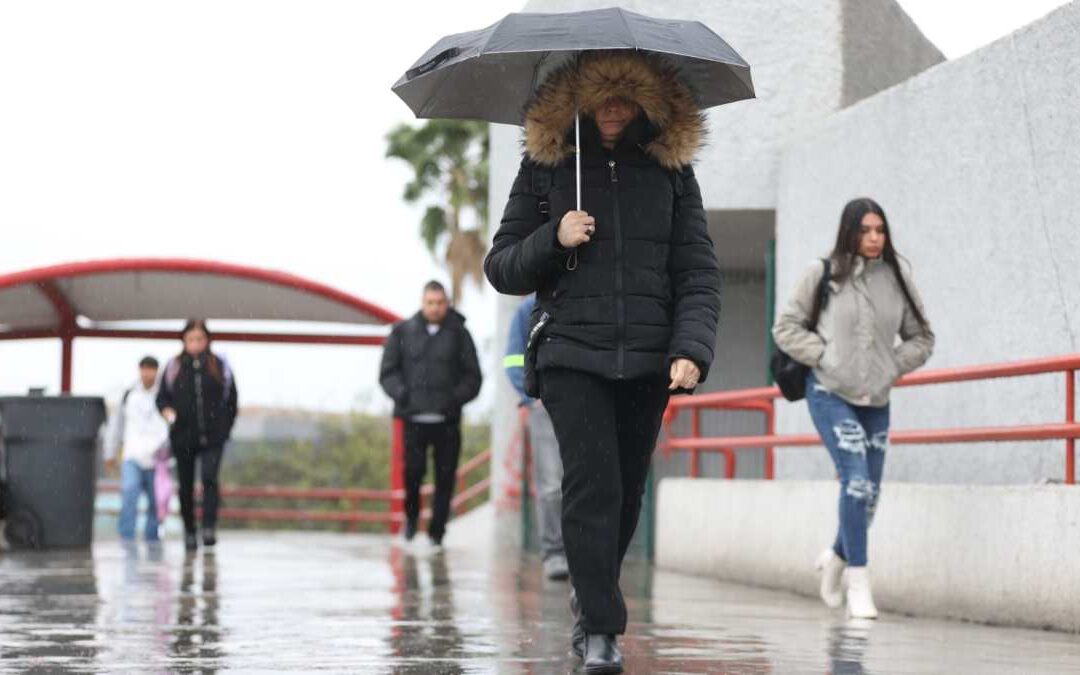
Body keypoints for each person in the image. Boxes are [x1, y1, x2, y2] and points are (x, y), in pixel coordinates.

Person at [484, 51, 721, 673]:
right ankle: (602, 632)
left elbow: (697, 273)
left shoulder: (671, 171)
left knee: (625, 494)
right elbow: (501, 266)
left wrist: (691, 349)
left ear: (647, 103)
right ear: (580, 102)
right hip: (570, 352)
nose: (614, 110)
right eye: (602, 98)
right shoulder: (549, 164)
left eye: (626, 99)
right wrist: (552, 237)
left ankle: (592, 610)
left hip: (647, 358)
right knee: (593, 484)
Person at [772, 198, 934, 619]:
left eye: (880, 230)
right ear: (850, 232)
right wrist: (824, 355)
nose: (875, 237)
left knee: (871, 495)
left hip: (876, 399)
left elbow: (922, 337)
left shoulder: (897, 278)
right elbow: (784, 327)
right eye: (866, 230)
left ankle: (836, 558)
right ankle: (858, 581)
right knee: (857, 483)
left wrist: (889, 366)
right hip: (829, 392)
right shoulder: (822, 273)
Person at [379, 281, 482, 550]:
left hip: (447, 422)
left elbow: (474, 377)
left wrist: (454, 399)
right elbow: (388, 372)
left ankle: (437, 534)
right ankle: (411, 522)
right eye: (430, 303)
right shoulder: (401, 331)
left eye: (440, 303)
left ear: (446, 303)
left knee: (445, 480)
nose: (435, 308)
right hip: (412, 420)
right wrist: (403, 396)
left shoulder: (460, 334)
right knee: (412, 474)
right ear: (422, 302)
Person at [157, 319, 238, 552]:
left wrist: (225, 427)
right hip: (183, 436)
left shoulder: (219, 366)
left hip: (213, 436)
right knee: (185, 485)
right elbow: (162, 398)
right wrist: (168, 412)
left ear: (207, 340)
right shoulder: (174, 367)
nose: (195, 344)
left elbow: (232, 399)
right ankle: (190, 530)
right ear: (183, 341)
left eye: (199, 339)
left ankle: (209, 527)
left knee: (210, 479)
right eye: (190, 339)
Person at [505, 294, 569, 581]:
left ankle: (585, 552)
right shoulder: (526, 310)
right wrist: (532, 398)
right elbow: (513, 359)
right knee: (552, 484)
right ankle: (554, 552)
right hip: (543, 407)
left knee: (585, 481)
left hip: (583, 403)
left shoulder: (580, 298)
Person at [104, 355, 170, 543]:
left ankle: (152, 538)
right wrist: (110, 451)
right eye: (145, 369)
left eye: (152, 369)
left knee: (156, 501)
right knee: (129, 493)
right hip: (132, 454)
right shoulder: (129, 395)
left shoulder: (165, 395)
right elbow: (116, 426)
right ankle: (126, 537)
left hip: (157, 457)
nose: (148, 373)